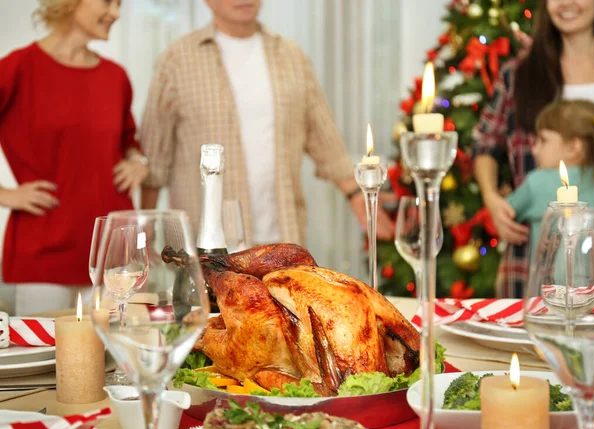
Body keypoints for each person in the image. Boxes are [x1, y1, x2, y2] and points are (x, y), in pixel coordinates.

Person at [140, 0, 395, 247]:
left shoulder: (291, 55)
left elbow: (323, 139)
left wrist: (356, 194)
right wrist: (145, 237)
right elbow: (154, 158)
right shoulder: (177, 60)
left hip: (281, 238)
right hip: (206, 244)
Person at [0, 0, 148, 315]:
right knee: (45, 360)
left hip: (116, 254)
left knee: (119, 359)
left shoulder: (115, 77)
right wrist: (6, 195)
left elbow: (129, 142)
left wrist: (138, 163)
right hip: (44, 252)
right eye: (108, 2)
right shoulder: (17, 68)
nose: (116, 13)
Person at [473, 0, 594, 297]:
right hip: (530, 259)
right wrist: (492, 199)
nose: (566, 3)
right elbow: (485, 143)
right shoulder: (519, 74)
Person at [505, 100, 594, 262]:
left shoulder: (537, 182)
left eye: (543, 140)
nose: (535, 150)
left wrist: (502, 196)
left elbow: (505, 213)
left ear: (573, 147)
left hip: (548, 284)